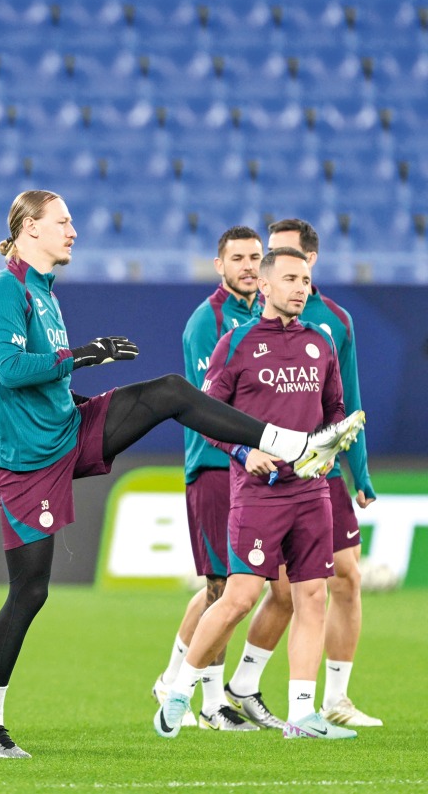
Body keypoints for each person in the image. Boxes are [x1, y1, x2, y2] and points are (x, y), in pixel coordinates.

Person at [0, 190, 365, 758]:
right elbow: (8, 370)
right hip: (28, 460)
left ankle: (286, 442)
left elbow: (42, 382)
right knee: (30, 591)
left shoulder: (43, 292)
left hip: (66, 429)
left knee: (171, 392)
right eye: (64, 222)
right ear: (30, 229)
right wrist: (83, 355)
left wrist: (78, 390)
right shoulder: (3, 291)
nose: (74, 231)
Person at [154, 247, 362, 741]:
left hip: (311, 491)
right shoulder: (236, 344)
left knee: (311, 595)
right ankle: (180, 689)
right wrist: (245, 454)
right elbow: (204, 416)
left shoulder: (321, 343)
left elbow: (334, 408)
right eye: (290, 278)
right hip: (258, 493)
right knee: (239, 596)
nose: (300, 288)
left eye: (306, 279)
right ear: (265, 286)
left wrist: (332, 445)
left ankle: (302, 715)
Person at [223, 219, 381, 729]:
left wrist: (358, 470)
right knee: (281, 591)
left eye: (284, 259)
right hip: (268, 480)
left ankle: (335, 698)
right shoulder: (247, 322)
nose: (263, 268)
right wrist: (240, 451)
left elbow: (345, 402)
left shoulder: (334, 321)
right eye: (269, 260)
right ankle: (235, 683)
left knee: (346, 578)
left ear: (309, 262)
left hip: (325, 470)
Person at [151, 227, 264, 732]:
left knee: (238, 584)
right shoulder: (208, 320)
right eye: (237, 258)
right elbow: (206, 404)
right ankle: (214, 701)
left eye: (255, 258)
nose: (247, 266)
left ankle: (174, 677)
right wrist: (244, 446)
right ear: (218, 265)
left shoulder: (266, 318)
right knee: (222, 584)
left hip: (258, 469)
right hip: (217, 465)